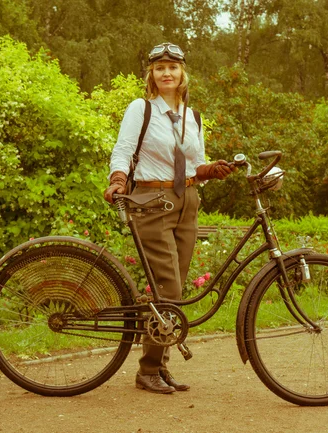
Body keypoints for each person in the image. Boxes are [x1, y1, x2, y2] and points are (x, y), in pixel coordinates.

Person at [103, 42, 237, 394]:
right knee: (170, 289)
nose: (166, 73)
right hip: (152, 200)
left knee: (173, 294)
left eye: (172, 67)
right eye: (159, 67)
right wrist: (118, 179)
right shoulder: (141, 109)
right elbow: (123, 149)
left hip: (187, 200)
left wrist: (215, 169)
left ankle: (159, 367)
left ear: (182, 74)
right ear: (152, 75)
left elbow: (195, 165)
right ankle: (148, 370)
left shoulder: (193, 117)